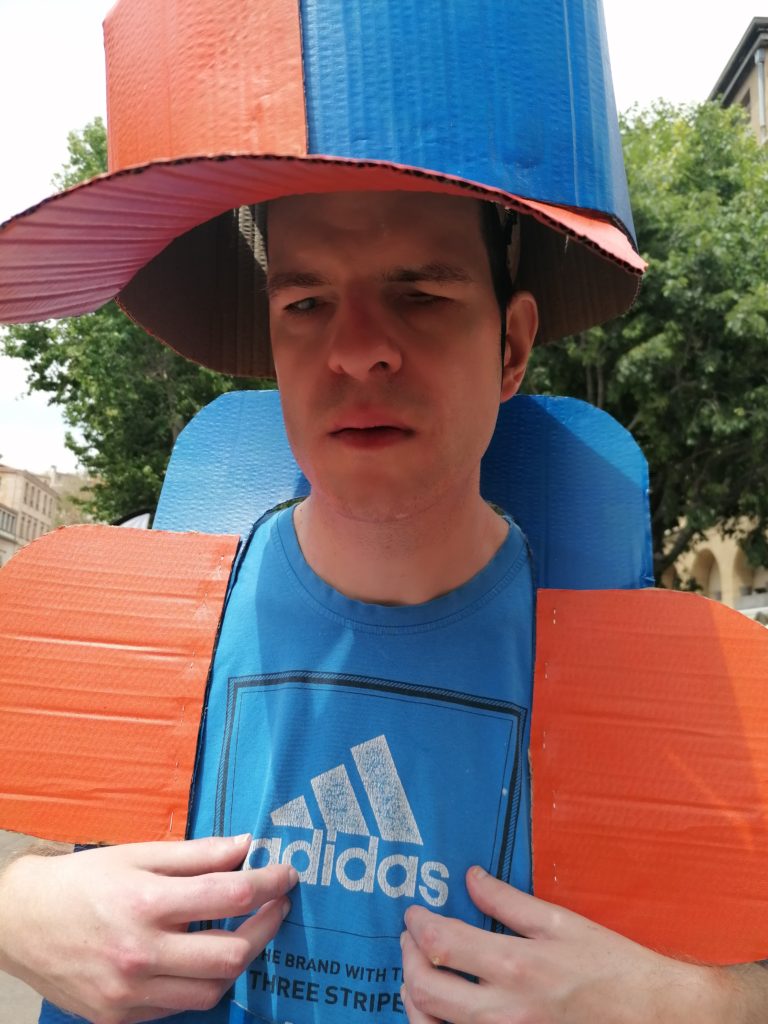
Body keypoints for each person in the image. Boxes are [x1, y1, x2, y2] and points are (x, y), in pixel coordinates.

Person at [1, 188, 768, 1024]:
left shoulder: (676, 692)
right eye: (306, 303)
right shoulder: (122, 623)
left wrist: (689, 1005)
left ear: (511, 346)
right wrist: (17, 912)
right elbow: (44, 849)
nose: (358, 351)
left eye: (421, 295)